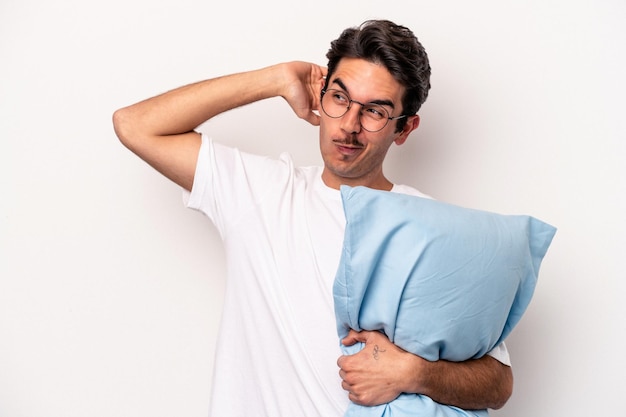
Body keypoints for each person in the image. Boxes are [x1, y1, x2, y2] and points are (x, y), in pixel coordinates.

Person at [113, 19, 513, 417]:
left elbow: (497, 382)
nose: (350, 126)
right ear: (320, 97)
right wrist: (274, 79)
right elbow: (134, 125)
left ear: (404, 128)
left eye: (375, 111)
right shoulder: (260, 193)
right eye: (339, 98)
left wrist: (416, 373)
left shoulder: (430, 228)